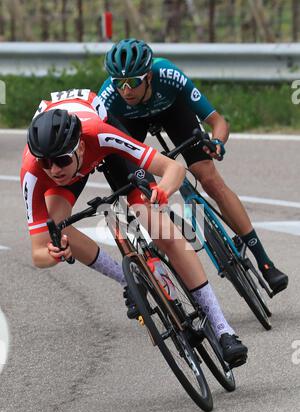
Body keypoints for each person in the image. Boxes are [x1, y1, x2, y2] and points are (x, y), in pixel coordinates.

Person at [20, 88, 247, 367]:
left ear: (78, 147)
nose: (54, 169)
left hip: (103, 146)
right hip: (72, 161)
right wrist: (55, 253)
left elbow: (173, 169)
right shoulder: (33, 170)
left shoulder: (99, 133)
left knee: (158, 226)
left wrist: (162, 189)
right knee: (58, 228)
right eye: (46, 163)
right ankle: (129, 281)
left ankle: (222, 328)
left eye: (61, 160)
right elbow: (38, 252)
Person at [99, 38, 288, 295]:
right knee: (141, 191)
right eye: (119, 83)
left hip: (173, 112)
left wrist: (217, 143)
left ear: (149, 77)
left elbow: (218, 122)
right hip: (129, 125)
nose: (126, 90)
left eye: (133, 82)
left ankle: (264, 261)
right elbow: (104, 143)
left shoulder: (168, 74)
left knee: (208, 178)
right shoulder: (109, 97)